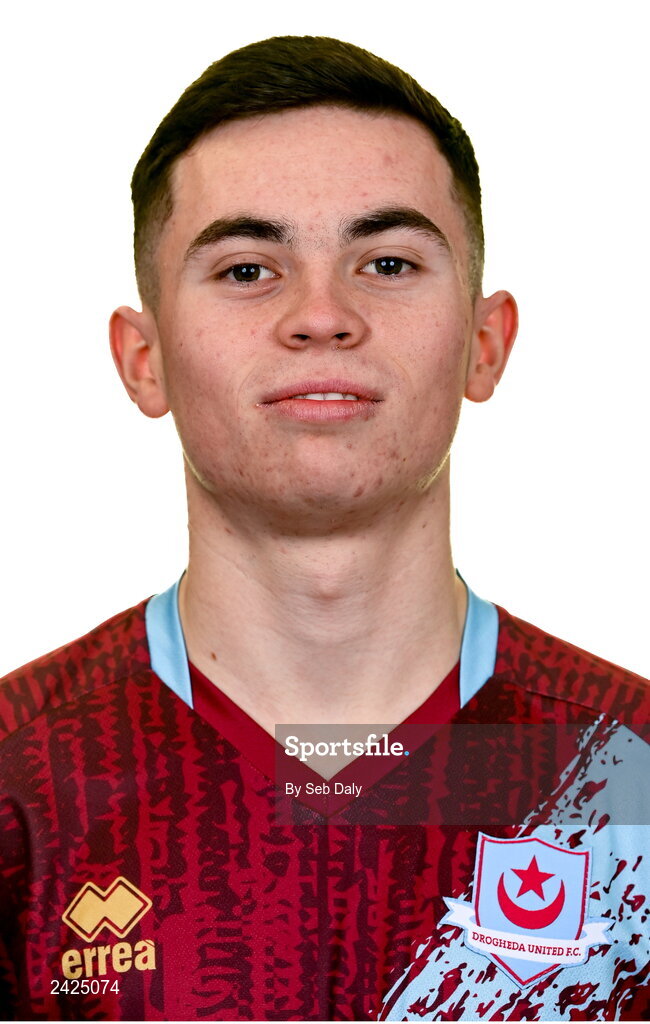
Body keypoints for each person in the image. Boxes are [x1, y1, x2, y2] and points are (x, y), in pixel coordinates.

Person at [0, 34, 647, 1023]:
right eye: (247, 268)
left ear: (484, 342)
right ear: (144, 359)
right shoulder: (20, 779)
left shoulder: (627, 775)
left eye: (385, 261)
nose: (321, 315)